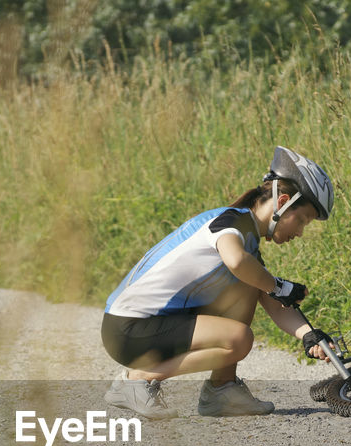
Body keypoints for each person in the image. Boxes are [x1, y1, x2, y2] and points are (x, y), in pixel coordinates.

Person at [100, 146, 337, 419]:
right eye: (303, 220)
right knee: (239, 339)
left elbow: (268, 297)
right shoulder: (230, 222)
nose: (300, 232)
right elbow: (237, 262)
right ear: (282, 202)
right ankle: (137, 380)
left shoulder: (248, 239)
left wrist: (309, 334)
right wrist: (278, 285)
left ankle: (221, 390)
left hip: (149, 324)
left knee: (251, 283)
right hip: (127, 329)